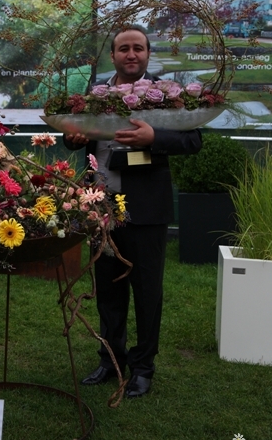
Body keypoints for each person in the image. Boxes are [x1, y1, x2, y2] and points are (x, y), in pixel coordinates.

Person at [65, 27, 202, 399]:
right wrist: (72, 137)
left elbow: (193, 139)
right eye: (123, 48)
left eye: (137, 48)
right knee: (108, 289)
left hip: (146, 208)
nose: (131, 54)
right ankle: (111, 360)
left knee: (146, 291)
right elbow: (75, 134)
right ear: (112, 55)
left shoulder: (168, 95)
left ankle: (143, 368)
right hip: (100, 205)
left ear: (147, 54)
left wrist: (154, 138)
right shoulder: (95, 94)